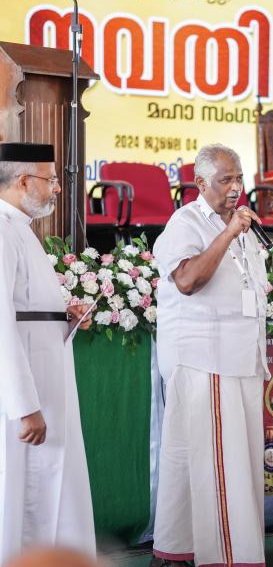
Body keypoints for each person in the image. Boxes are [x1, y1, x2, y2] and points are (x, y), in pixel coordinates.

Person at [151, 144, 269, 567]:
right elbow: (187, 281)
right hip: (207, 358)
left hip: (238, 357)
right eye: (225, 180)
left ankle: (174, 551)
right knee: (222, 466)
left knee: (193, 459)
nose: (236, 187)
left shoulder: (241, 224)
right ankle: (227, 558)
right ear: (200, 183)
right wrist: (229, 233)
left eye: (239, 178)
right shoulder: (185, 222)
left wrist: (235, 230)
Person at [0, 143, 96, 565]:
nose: (57, 188)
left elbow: (27, 312)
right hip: (24, 400)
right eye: (51, 179)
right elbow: (2, 325)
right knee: (24, 498)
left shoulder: (21, 229)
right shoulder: (2, 231)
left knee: (52, 491)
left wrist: (65, 319)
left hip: (47, 381)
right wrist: (25, 406)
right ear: (23, 181)